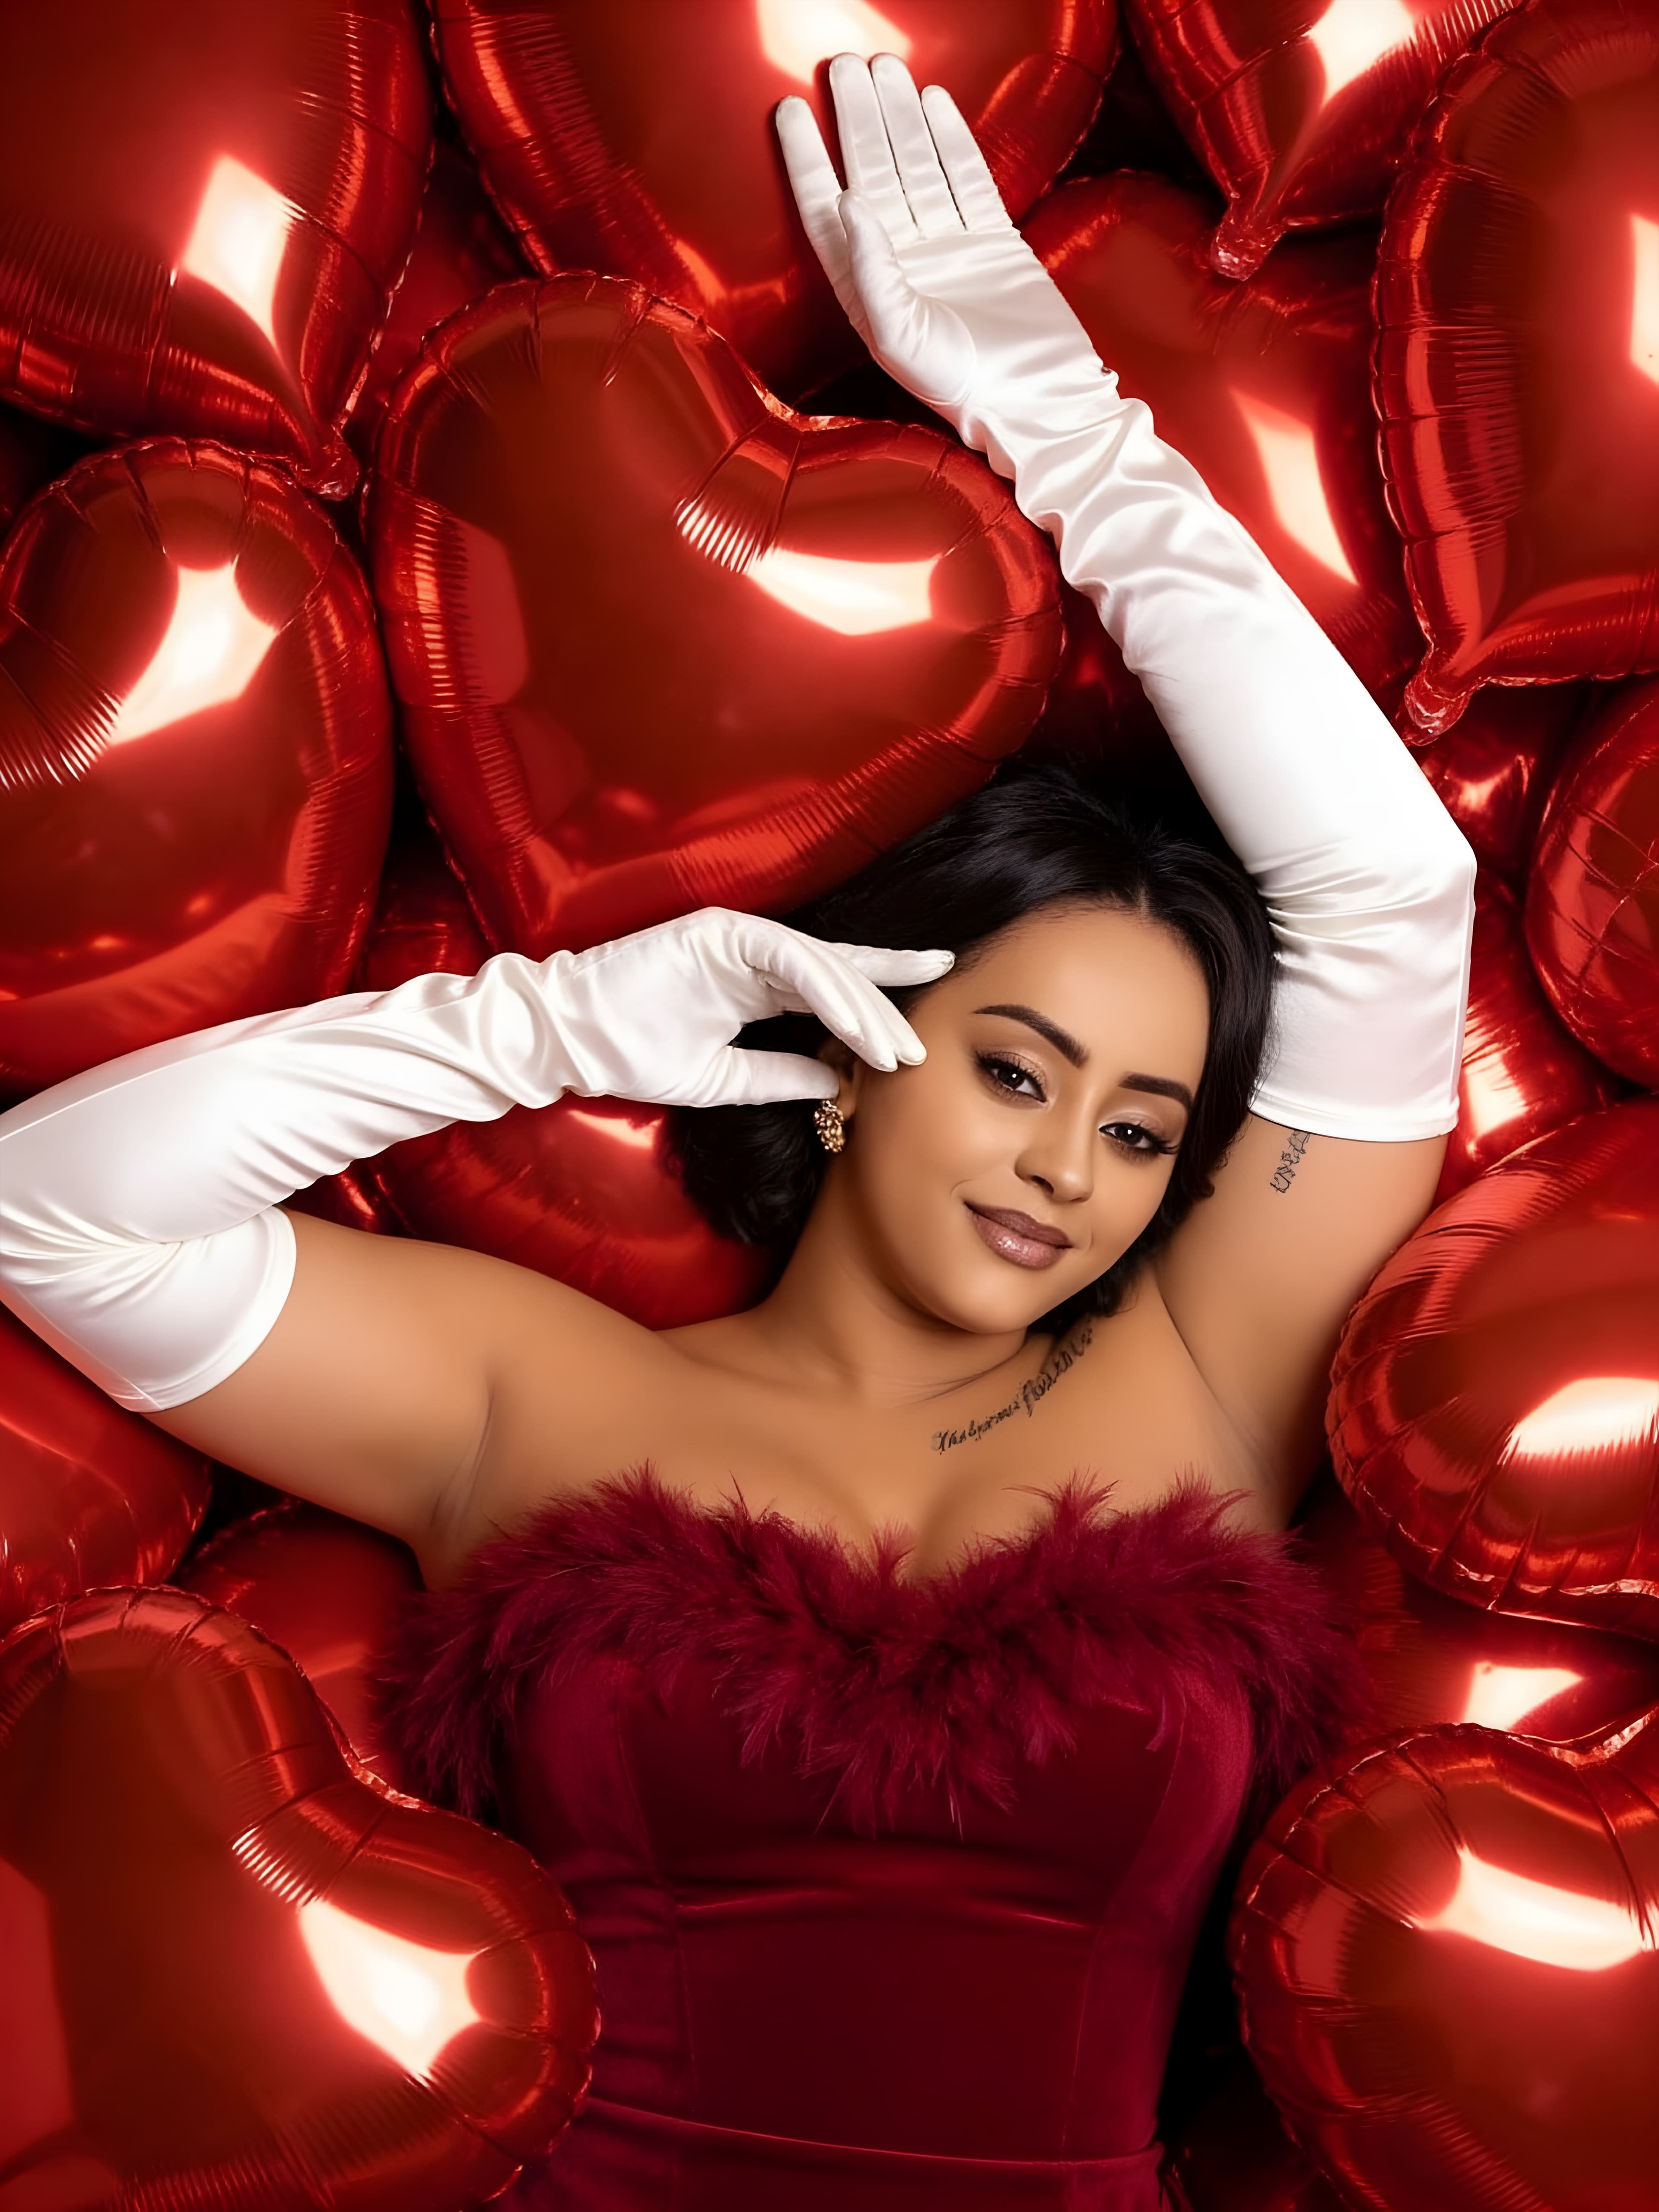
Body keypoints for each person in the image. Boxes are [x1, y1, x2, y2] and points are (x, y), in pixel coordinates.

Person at [0, 57, 1473, 2212]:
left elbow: (1390, 897)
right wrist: (566, 1009)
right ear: (862, 1035)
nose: (1070, 1163)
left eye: (1150, 1127)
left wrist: (1050, 409)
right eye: (1014, 1064)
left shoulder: (1206, 1380)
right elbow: (57, 1212)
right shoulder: (537, 1392)